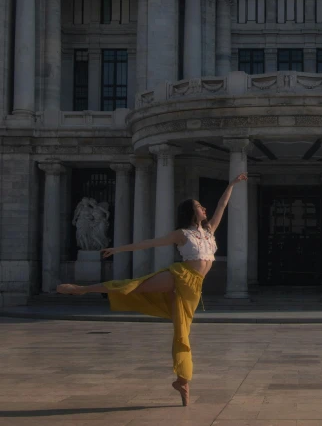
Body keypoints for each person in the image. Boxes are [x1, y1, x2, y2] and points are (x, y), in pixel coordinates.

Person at [57, 172, 248, 406]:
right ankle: (82, 289)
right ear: (191, 212)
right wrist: (118, 250)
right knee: (134, 286)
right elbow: (149, 243)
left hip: (194, 288)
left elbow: (222, 204)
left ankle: (182, 380)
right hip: (180, 276)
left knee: (182, 333)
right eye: (199, 206)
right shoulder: (182, 234)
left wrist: (232, 184)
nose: (204, 209)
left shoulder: (209, 232)